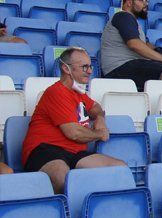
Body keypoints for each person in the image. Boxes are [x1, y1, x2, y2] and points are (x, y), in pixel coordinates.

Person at [21, 47, 127, 192]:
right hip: (45, 150)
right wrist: (99, 134)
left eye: (90, 66)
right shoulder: (56, 92)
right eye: (84, 67)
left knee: (119, 169)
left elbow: (95, 107)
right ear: (66, 68)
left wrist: (100, 118)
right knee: (63, 178)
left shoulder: (78, 92)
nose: (89, 71)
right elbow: (74, 133)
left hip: (74, 153)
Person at [100, 0, 162, 89]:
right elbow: (134, 44)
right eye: (141, 0)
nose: (146, 3)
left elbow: (145, 44)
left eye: (146, 0)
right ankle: (161, 104)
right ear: (129, 2)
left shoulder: (133, 22)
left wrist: (158, 50)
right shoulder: (123, 16)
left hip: (129, 66)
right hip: (119, 67)